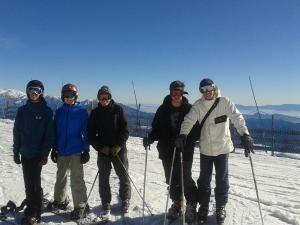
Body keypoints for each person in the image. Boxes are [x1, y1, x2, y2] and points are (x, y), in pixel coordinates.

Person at [175, 78, 254, 225]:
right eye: (203, 90)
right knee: (204, 181)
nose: (207, 92)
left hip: (223, 148)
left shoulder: (225, 102)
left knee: (222, 180)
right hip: (206, 149)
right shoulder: (198, 106)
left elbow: (237, 117)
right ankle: (203, 207)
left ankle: (220, 207)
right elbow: (188, 120)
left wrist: (245, 134)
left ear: (214, 88)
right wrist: (183, 134)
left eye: (209, 89)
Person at [143, 81, 200, 223]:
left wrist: (184, 141)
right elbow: (156, 128)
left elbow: (197, 131)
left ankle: (191, 204)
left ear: (183, 93)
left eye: (179, 93)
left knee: (185, 178)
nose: (176, 96)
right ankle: (177, 203)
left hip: (184, 151)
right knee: (171, 179)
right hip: (166, 150)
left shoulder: (190, 109)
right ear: (170, 93)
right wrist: (150, 137)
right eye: (174, 93)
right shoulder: (162, 109)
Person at [13, 80, 55, 225]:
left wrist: (44, 154)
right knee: (28, 183)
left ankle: (35, 213)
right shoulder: (22, 111)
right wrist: (16, 151)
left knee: (34, 183)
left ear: (41, 93)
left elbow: (49, 136)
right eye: (31, 90)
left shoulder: (46, 112)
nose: (34, 93)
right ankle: (34, 205)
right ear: (27, 92)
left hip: (38, 154)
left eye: (37, 90)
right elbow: (17, 132)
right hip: (25, 153)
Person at [48, 83, 90, 219]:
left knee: (77, 179)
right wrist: (54, 149)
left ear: (75, 96)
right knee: (60, 178)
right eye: (65, 95)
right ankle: (60, 201)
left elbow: (86, 132)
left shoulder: (81, 111)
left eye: (71, 95)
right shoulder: (59, 112)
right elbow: (56, 132)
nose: (68, 98)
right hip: (61, 151)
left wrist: (86, 150)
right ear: (62, 97)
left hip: (76, 151)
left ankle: (81, 206)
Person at [88, 85, 131, 218]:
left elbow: (125, 130)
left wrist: (119, 145)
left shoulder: (118, 109)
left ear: (110, 97)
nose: (103, 99)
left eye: (106, 97)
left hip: (119, 149)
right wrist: (100, 147)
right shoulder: (95, 113)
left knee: (123, 175)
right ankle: (105, 202)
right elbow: (91, 134)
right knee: (104, 178)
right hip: (104, 151)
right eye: (101, 97)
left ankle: (125, 199)